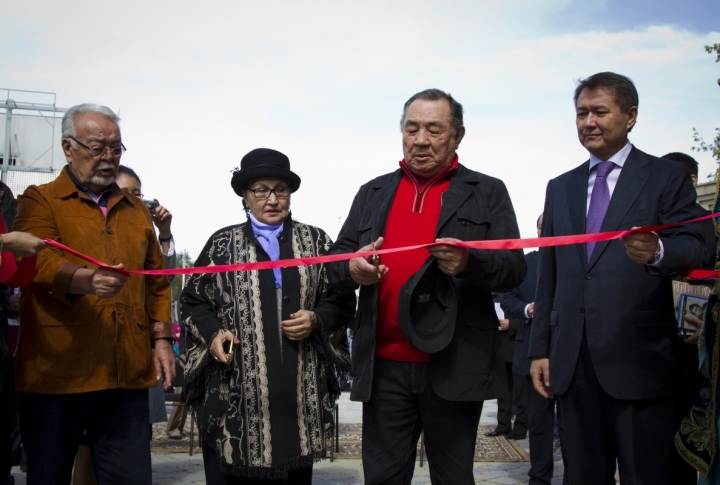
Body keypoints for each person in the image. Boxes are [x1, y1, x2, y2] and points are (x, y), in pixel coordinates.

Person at [328, 89, 527, 484]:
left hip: (454, 364)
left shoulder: (487, 192)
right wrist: (353, 268)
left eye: (434, 129)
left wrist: (471, 263)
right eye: (411, 128)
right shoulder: (373, 192)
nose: (420, 140)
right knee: (383, 479)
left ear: (458, 135)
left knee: (453, 478)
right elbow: (334, 265)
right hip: (384, 365)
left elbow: (514, 269)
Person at [528, 72, 708, 485]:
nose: (588, 122)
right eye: (581, 113)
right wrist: (541, 349)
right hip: (572, 363)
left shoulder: (665, 177)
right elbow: (549, 275)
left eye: (599, 112)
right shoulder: (561, 187)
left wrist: (658, 252)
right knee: (583, 475)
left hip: (638, 360)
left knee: (646, 475)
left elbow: (698, 245)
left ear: (630, 116)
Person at [12, 103, 175, 485]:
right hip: (58, 371)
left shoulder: (135, 210)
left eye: (116, 148)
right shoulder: (40, 199)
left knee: (130, 477)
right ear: (68, 148)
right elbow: (35, 262)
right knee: (49, 475)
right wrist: (83, 279)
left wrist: (163, 338)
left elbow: (156, 279)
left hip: (127, 372)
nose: (108, 157)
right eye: (96, 147)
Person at [181, 148, 356, 484]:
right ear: (245, 197)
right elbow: (192, 301)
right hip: (236, 395)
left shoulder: (317, 242)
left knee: (293, 472)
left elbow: (343, 299)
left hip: (298, 396)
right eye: (261, 190)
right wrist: (214, 333)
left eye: (281, 189)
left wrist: (317, 319)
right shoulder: (222, 244)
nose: (272, 198)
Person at [500, 214, 568, 485]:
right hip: (531, 350)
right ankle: (539, 476)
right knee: (538, 422)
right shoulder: (525, 264)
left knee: (570, 424)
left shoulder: (575, 261)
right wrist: (528, 309)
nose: (545, 230)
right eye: (542, 226)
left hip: (568, 351)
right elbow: (506, 298)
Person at [485, 297, 527, 441]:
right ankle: (503, 425)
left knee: (521, 391)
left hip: (518, 348)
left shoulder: (521, 293)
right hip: (502, 348)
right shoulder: (499, 296)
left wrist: (512, 325)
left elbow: (529, 318)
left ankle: (520, 427)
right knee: (503, 391)